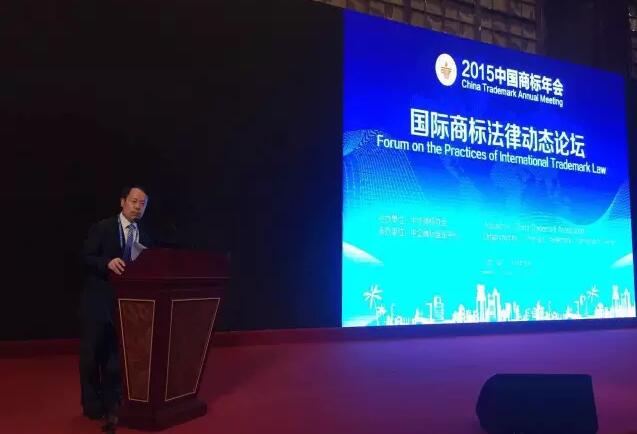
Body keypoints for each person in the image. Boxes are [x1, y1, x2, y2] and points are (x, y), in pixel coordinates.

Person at [80, 185, 152, 433]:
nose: (138, 207)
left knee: (115, 360)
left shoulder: (145, 234)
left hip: (128, 308)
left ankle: (113, 405)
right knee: (91, 357)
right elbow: (86, 257)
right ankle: (92, 406)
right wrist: (107, 263)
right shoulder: (102, 228)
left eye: (143, 204)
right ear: (122, 202)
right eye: (134, 201)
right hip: (98, 302)